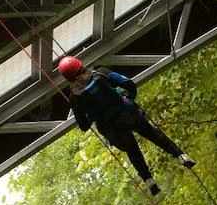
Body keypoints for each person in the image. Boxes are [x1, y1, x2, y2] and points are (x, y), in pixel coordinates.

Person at [58, 55, 196, 196]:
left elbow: (83, 126)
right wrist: (128, 98)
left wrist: (92, 114)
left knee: (132, 150)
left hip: (112, 129)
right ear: (81, 66)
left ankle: (149, 180)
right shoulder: (101, 73)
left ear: (68, 79)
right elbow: (129, 84)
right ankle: (181, 156)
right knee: (153, 134)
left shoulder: (74, 98)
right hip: (128, 113)